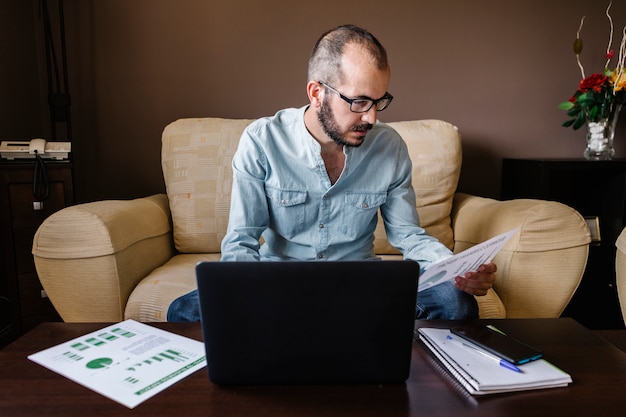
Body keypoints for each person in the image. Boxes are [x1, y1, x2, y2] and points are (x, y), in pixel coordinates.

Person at [167, 24, 496, 322]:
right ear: (316, 93)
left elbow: (408, 235)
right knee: (183, 311)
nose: (371, 118)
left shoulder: (390, 147)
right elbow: (241, 241)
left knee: (457, 304)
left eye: (380, 102)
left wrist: (456, 270)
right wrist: (249, 297)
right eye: (360, 102)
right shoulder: (262, 140)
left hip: (360, 287)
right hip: (279, 287)